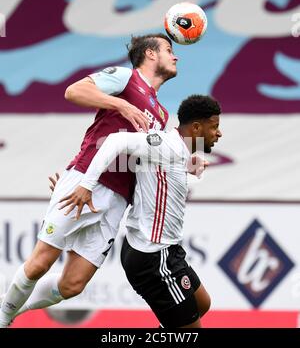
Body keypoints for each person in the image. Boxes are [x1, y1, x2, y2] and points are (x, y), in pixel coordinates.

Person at [0, 33, 178, 327]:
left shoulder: (161, 114)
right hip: (87, 184)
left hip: (117, 202)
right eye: (169, 50)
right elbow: (74, 91)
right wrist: (120, 105)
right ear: (149, 54)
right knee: (40, 262)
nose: (176, 56)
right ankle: (4, 318)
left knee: (73, 285)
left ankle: (8, 308)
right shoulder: (125, 78)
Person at [56, 94, 222, 328]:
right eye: (214, 126)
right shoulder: (166, 145)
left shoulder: (177, 150)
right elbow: (115, 141)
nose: (219, 133)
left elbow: (157, 167)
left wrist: (188, 166)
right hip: (153, 258)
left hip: (166, 250)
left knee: (201, 303)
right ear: (196, 127)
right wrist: (85, 184)